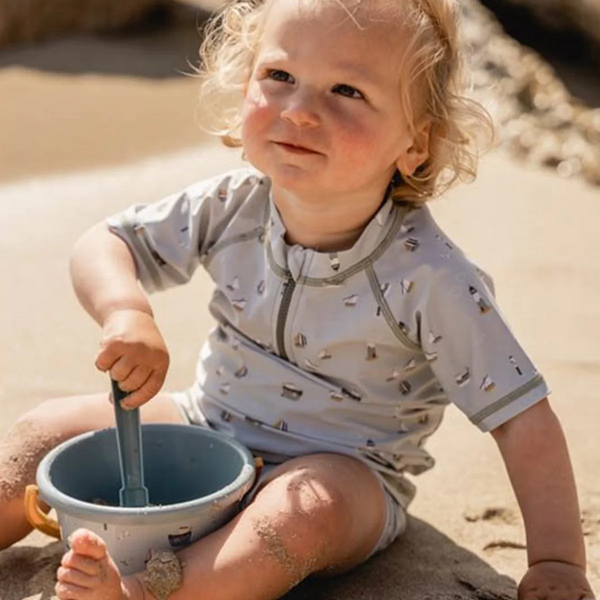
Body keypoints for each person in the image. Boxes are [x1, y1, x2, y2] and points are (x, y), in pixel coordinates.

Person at [0, 0, 595, 598]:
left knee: (296, 516)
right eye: (279, 76)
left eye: (347, 91)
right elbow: (108, 242)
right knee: (46, 430)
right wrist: (124, 308)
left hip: (346, 471)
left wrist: (558, 562)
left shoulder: (429, 277)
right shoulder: (233, 205)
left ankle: (148, 593)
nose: (302, 109)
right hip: (210, 420)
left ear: (416, 142)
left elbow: (522, 420)